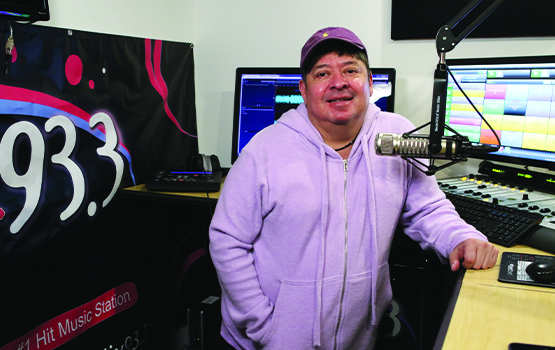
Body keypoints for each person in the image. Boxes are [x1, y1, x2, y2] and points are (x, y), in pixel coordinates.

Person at [209, 27, 499, 350]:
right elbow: (227, 240)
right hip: (267, 343)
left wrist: (461, 238)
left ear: (370, 82)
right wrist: (264, 327)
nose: (339, 82)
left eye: (351, 70)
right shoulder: (263, 151)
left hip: (356, 341)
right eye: (323, 73)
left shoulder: (397, 137)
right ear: (303, 90)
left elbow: (428, 209)